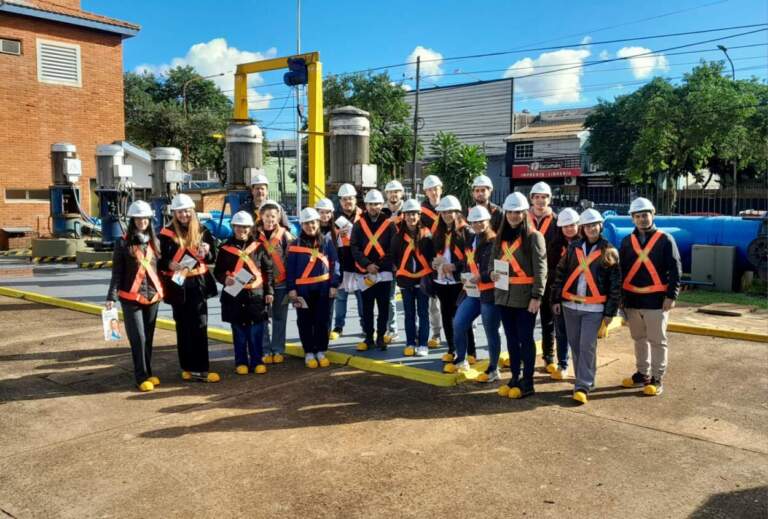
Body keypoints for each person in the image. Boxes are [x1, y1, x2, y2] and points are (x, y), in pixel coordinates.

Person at [551, 209, 621, 404]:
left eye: (594, 225)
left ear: (601, 226)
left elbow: (615, 284)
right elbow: (560, 273)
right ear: (583, 228)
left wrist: (609, 313)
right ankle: (583, 378)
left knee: (587, 345)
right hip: (570, 305)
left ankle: (583, 384)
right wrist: (556, 299)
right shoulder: (574, 248)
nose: (591, 229)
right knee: (574, 344)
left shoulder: (609, 250)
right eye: (587, 226)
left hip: (594, 309)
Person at [619, 197, 682, 396]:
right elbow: (621, 270)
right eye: (637, 216)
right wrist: (621, 298)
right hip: (632, 300)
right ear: (632, 219)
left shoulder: (665, 239)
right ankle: (642, 373)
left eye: (645, 215)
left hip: (656, 301)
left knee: (657, 341)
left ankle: (657, 378)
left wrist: (671, 296)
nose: (642, 219)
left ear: (652, 214)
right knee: (638, 339)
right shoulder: (627, 241)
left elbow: (676, 268)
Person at [158, 194, 220, 383]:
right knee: (183, 327)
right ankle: (186, 367)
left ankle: (202, 368)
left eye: (187, 210)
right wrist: (168, 264)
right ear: (174, 213)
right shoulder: (165, 234)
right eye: (180, 211)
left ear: (192, 211)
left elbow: (212, 258)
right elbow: (158, 261)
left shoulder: (202, 231)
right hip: (178, 287)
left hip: (198, 286)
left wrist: (208, 250)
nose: (184, 214)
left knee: (200, 325)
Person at [492, 192, 547, 399]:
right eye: (511, 212)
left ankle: (528, 382)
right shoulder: (500, 235)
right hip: (504, 296)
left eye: (518, 212)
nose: (514, 216)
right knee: (512, 340)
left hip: (526, 299)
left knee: (526, 339)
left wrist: (537, 296)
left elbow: (541, 269)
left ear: (525, 213)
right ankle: (515, 377)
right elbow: (492, 262)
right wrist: (491, 273)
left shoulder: (534, 237)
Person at [106, 200, 164, 392]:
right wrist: (111, 297)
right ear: (132, 220)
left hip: (152, 298)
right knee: (138, 337)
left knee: (148, 337)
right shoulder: (122, 243)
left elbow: (160, 269)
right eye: (138, 218)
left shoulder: (155, 242)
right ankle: (140, 377)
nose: (142, 221)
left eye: (145, 218)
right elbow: (117, 273)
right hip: (131, 299)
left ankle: (148, 372)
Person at [445, 205, 502, 382]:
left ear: (488, 221)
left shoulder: (495, 242)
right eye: (474, 222)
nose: (477, 224)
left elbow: (499, 270)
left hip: (489, 294)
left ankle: (493, 368)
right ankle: (461, 359)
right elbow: (468, 261)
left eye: (481, 221)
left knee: (491, 331)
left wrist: (481, 277)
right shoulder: (471, 240)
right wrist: (457, 268)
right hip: (472, 293)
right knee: (458, 323)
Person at [214, 211, 274, 375]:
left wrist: (269, 291)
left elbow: (268, 270)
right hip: (235, 295)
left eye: (246, 227)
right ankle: (241, 362)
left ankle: (257, 361)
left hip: (256, 294)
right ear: (233, 227)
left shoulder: (260, 247)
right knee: (239, 331)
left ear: (251, 228)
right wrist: (224, 279)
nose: (243, 230)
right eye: (239, 226)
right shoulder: (225, 249)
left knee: (257, 331)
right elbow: (218, 271)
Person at [286, 208, 340, 368]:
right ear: (302, 224)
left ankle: (321, 351)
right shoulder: (295, 245)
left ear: (319, 223)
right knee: (304, 321)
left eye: (314, 222)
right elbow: (290, 268)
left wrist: (334, 284)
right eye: (307, 223)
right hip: (302, 290)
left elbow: (334, 263)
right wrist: (291, 288)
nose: (311, 225)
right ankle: (309, 351)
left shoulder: (327, 242)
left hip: (323, 288)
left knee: (322, 320)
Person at [430, 195, 475, 364]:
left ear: (458, 212)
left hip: (459, 281)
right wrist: (434, 263)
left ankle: (471, 351)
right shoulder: (439, 232)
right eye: (444, 212)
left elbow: (471, 258)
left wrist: (454, 266)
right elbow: (433, 253)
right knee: (446, 316)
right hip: (442, 281)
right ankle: (452, 348)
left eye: (450, 211)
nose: (447, 215)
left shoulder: (467, 232)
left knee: (463, 317)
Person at [351, 189, 395, 351]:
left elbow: (393, 248)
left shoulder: (389, 225)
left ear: (381, 204)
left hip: (384, 273)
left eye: (376, 204)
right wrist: (367, 264)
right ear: (366, 205)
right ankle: (369, 337)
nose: (373, 207)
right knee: (367, 307)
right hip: (366, 273)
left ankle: (381, 337)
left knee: (384, 307)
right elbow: (354, 248)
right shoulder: (358, 225)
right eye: (370, 204)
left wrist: (380, 265)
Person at [391, 198, 434, 357]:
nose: (411, 217)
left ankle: (423, 344)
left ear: (419, 215)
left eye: (414, 214)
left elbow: (431, 255)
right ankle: (410, 342)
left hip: (423, 280)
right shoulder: (398, 236)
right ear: (404, 216)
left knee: (423, 313)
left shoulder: (427, 235)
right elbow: (394, 256)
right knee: (409, 313)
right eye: (408, 214)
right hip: (406, 280)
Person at [255, 200, 292, 364]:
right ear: (261, 216)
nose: (270, 219)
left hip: (281, 284)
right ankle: (264, 349)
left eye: (273, 216)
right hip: (261, 285)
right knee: (263, 318)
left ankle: (278, 349)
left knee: (279, 318)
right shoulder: (254, 235)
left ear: (278, 217)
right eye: (267, 216)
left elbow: (291, 260)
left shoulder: (285, 236)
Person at [528, 181, 560, 373]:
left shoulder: (557, 221)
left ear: (550, 199)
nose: (540, 201)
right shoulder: (522, 218)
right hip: (527, 277)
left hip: (550, 277)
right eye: (537, 197)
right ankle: (526, 355)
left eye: (544, 197)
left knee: (548, 320)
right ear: (531, 198)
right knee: (526, 320)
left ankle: (549, 356)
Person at [547, 207, 581, 381]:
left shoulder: (586, 244)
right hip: (561, 296)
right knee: (561, 332)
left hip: (582, 297)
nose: (569, 228)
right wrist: (555, 299)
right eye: (565, 225)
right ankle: (563, 364)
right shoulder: (554, 246)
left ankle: (581, 368)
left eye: (572, 225)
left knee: (580, 335)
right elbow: (552, 275)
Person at [330, 183, 364, 340]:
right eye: (344, 199)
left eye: (350, 198)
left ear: (355, 199)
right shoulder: (334, 218)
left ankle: (366, 325)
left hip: (359, 264)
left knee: (361, 297)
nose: (347, 202)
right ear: (340, 201)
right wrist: (337, 234)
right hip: (342, 263)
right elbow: (328, 240)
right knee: (341, 298)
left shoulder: (363, 216)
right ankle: (338, 327)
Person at [420, 174, 444, 348]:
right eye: (430, 189)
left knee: (455, 299)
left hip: (451, 259)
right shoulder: (420, 212)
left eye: (436, 188)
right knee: (433, 301)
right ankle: (436, 333)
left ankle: (462, 330)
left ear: (441, 189)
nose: (433, 192)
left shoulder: (450, 207)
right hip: (431, 261)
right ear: (425, 192)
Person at [382, 180, 405, 344]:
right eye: (390, 192)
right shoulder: (381, 213)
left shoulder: (410, 210)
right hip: (388, 263)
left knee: (415, 298)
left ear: (401, 193)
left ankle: (418, 331)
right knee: (389, 297)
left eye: (396, 191)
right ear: (386, 194)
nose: (393, 195)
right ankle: (392, 329)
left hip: (408, 261)